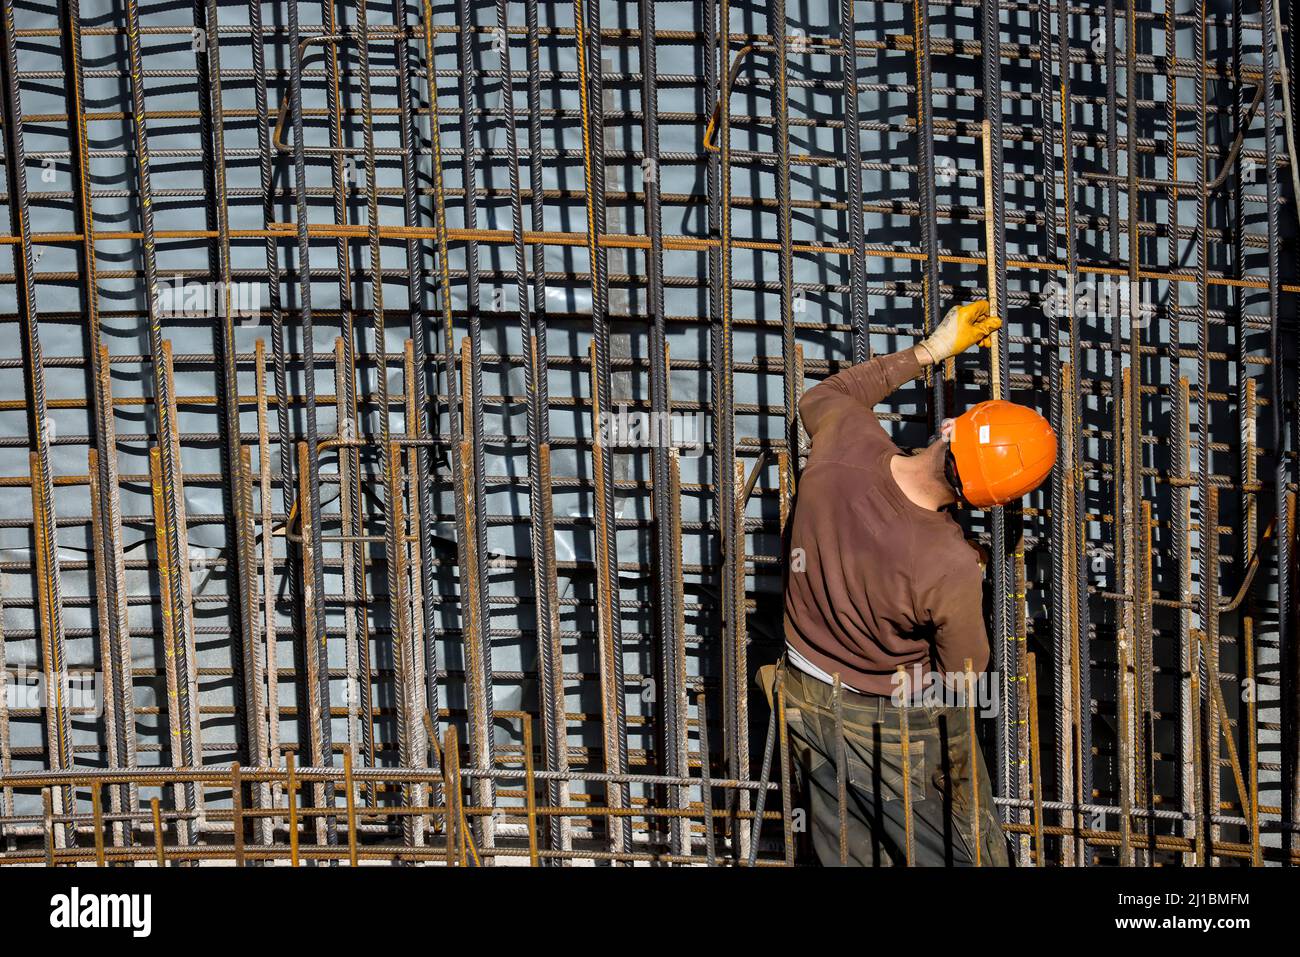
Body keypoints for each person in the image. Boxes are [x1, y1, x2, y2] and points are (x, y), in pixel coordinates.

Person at [767, 299, 1056, 866]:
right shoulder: (947, 562)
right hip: (885, 725)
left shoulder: (844, 443)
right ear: (984, 499)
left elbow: (823, 396)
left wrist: (931, 351)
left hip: (801, 693)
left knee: (846, 852)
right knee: (963, 852)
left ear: (950, 429)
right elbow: (966, 679)